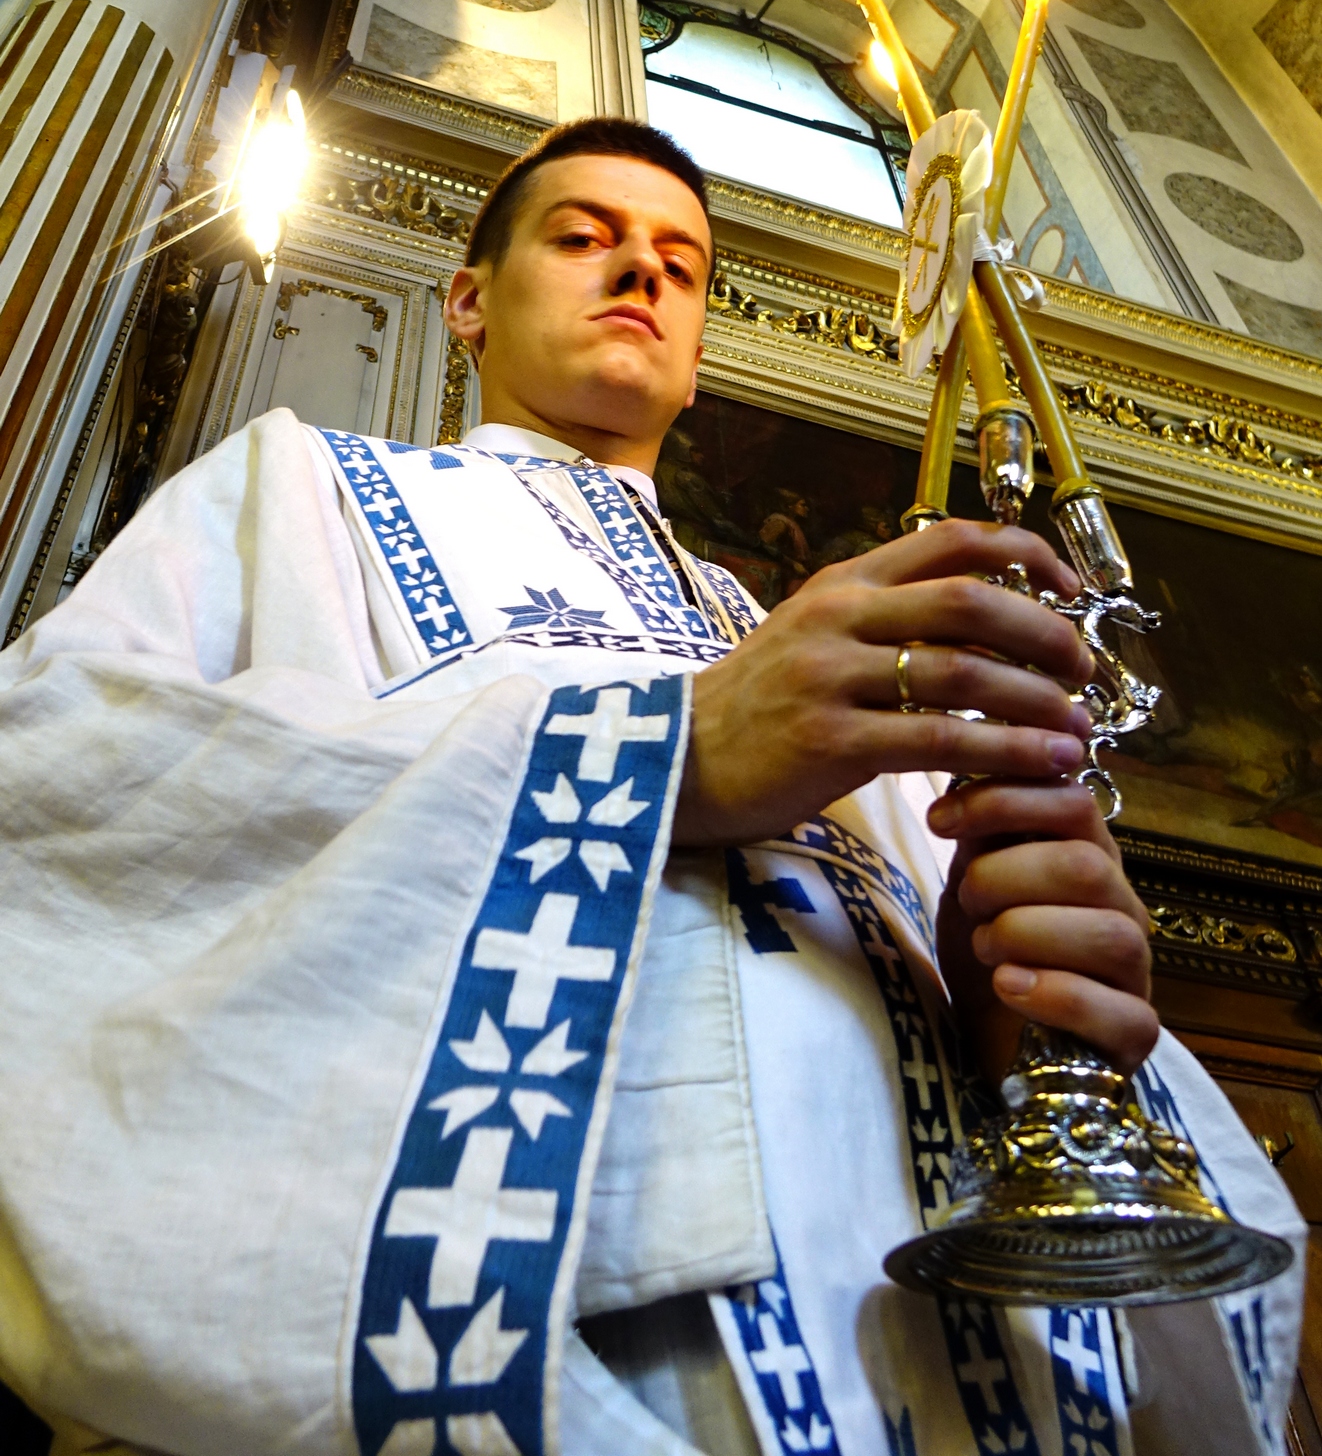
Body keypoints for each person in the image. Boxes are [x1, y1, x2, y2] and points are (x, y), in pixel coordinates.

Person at [0, 119, 1302, 1456]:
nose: (640, 274)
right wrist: (656, 755)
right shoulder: (306, 487)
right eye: (581, 237)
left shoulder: (797, 631)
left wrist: (1011, 1004)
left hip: (930, 1329)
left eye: (681, 264)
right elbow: (61, 782)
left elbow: (993, 989)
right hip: (575, 1299)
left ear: (696, 359)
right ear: (465, 302)